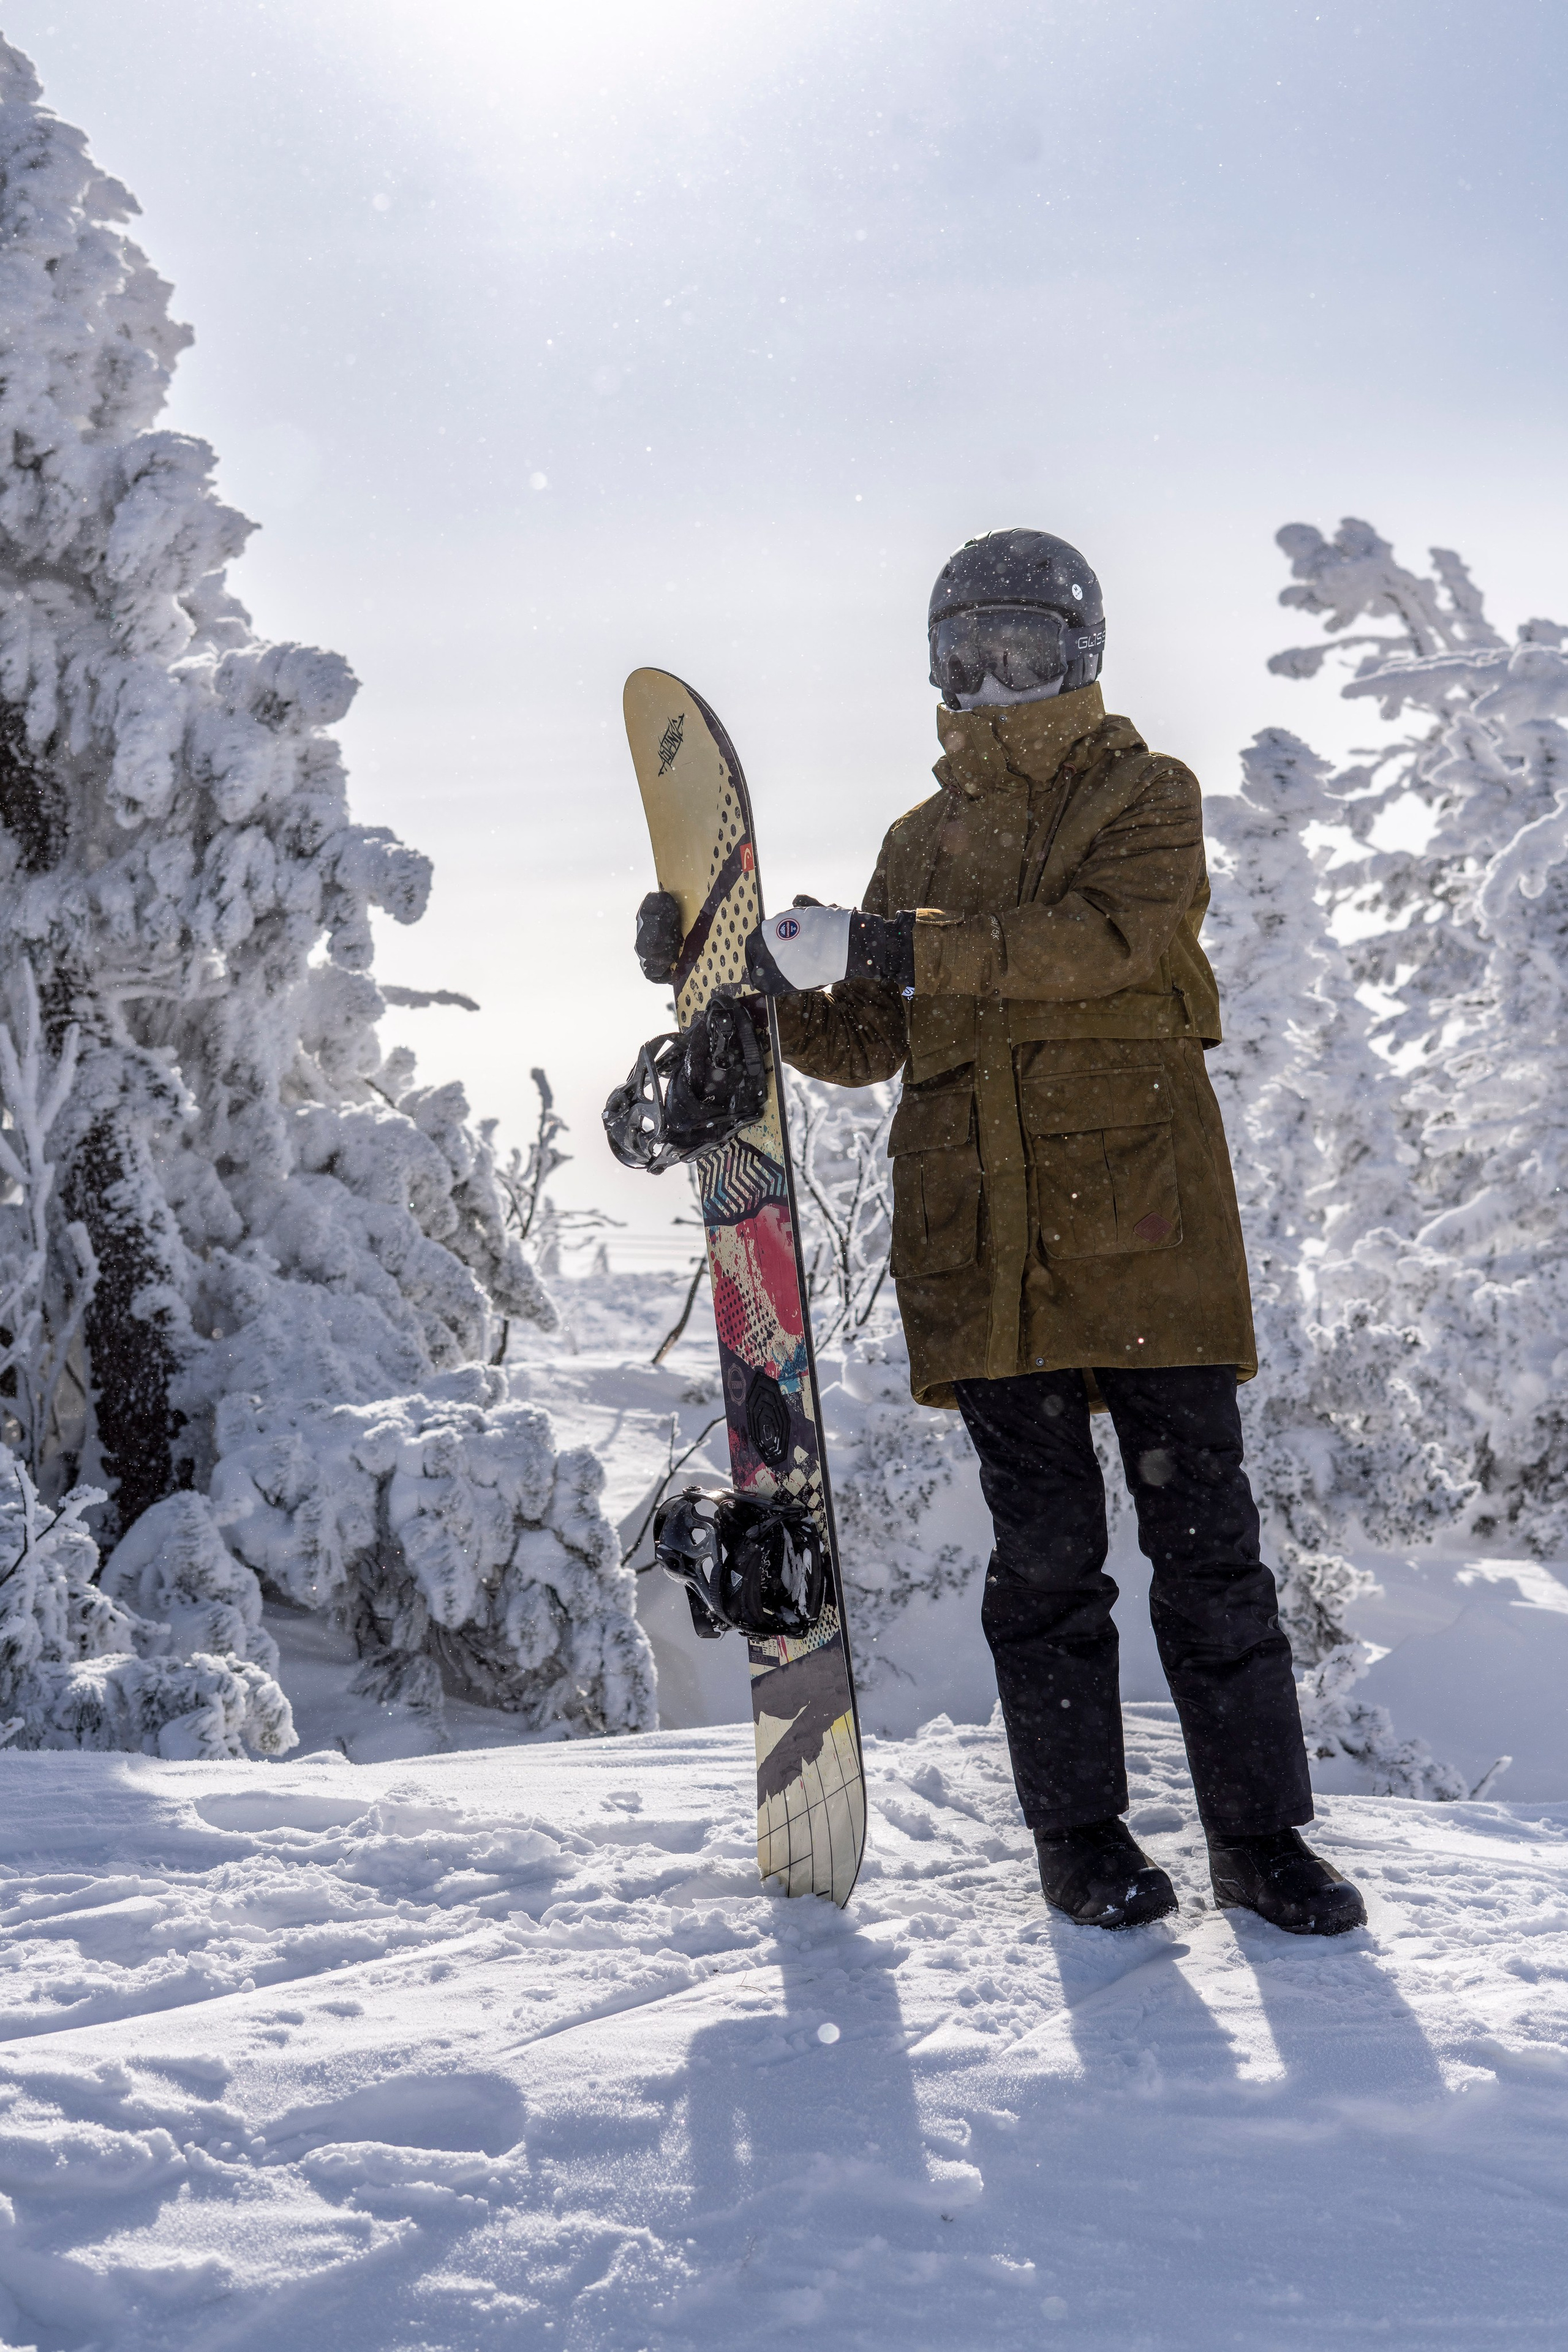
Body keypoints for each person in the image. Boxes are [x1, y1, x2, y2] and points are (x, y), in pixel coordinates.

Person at [639, 529, 1365, 1939]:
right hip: (977, 1243)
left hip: (1142, 1230)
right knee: (1043, 1559)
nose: (992, 678)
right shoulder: (919, 840)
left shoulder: (1141, 796)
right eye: (965, 653)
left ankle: (1260, 1843)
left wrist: (894, 944)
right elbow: (860, 1044)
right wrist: (749, 975)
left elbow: (1102, 945)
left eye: (1022, 648)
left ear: (1079, 652)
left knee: (1206, 1546)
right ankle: (1078, 1840)